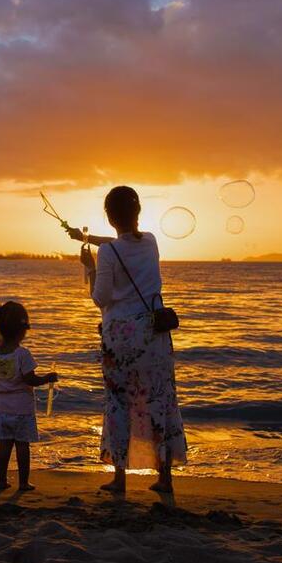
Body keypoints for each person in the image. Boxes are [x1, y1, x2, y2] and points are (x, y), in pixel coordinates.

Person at [73, 186, 187, 493]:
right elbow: (121, 244)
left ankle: (120, 477)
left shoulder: (107, 253)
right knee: (160, 400)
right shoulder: (150, 241)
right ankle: (165, 477)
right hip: (154, 334)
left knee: (119, 403)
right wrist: (86, 239)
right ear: (138, 213)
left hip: (121, 337)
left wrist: (90, 268)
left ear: (109, 217)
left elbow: (101, 298)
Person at [0, 301, 58, 491]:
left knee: (4, 445)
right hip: (22, 409)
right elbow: (30, 379)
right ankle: (23, 483)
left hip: (2, 409)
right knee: (22, 446)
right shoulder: (23, 354)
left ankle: (1, 481)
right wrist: (47, 378)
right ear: (22, 331)